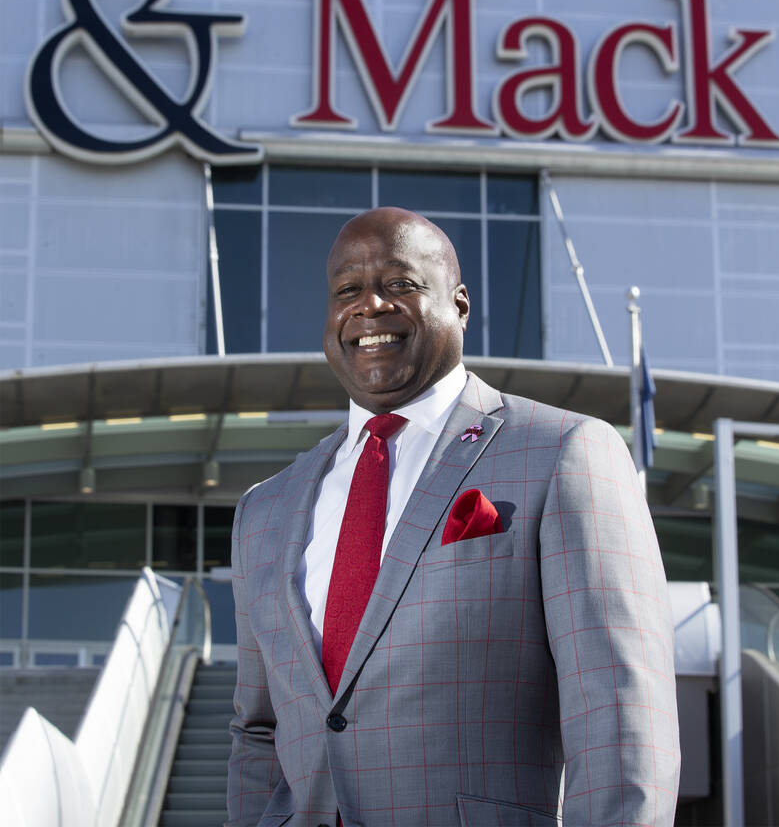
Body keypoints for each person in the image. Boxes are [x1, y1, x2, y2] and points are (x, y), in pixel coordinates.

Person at [226, 207, 680, 827]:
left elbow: (620, 713)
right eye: (348, 291)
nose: (370, 307)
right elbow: (258, 731)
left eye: (400, 284)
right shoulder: (265, 509)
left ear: (460, 306)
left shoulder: (564, 451)